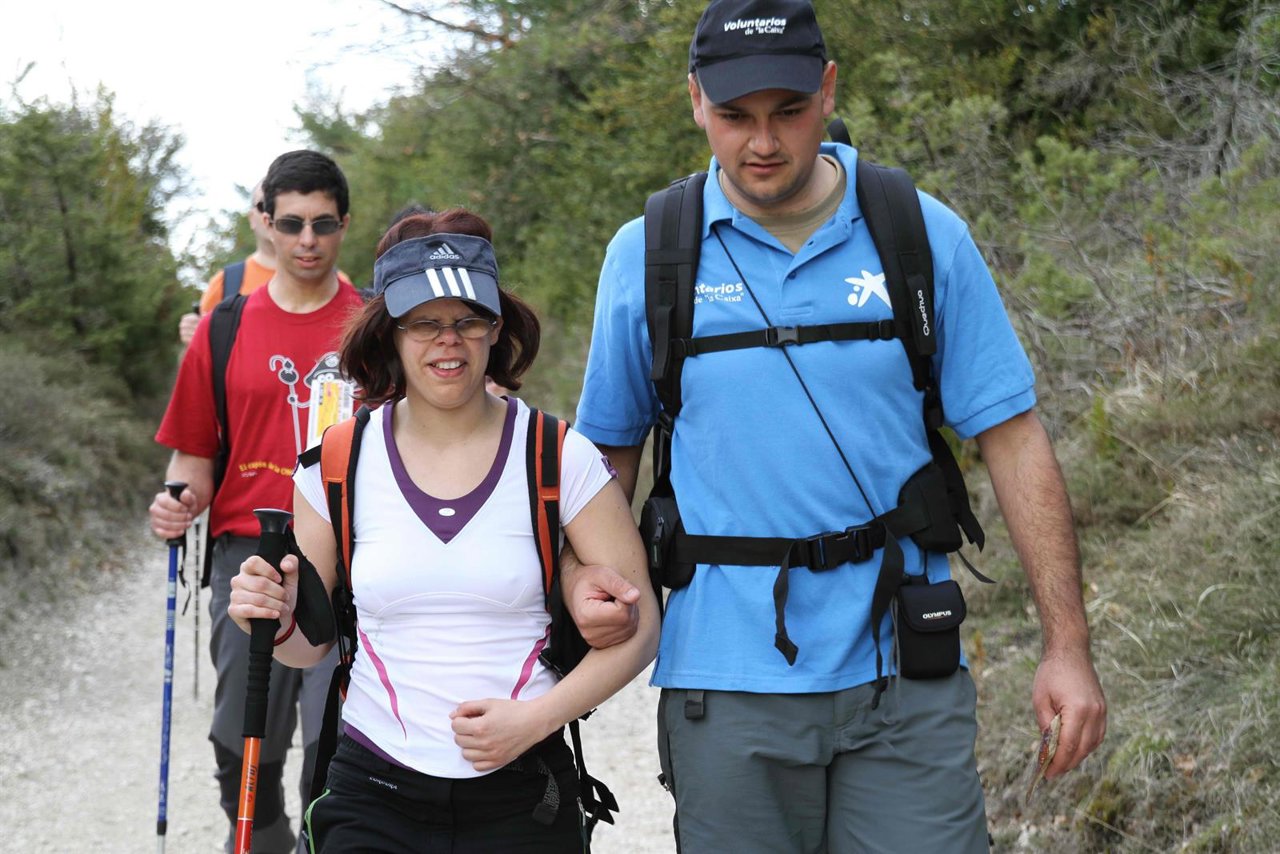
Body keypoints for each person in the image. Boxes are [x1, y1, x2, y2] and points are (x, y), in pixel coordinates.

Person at [565, 0, 1108, 850]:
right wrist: (580, 598)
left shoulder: (921, 234)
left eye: (787, 111)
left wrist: (1066, 646)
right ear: (696, 102)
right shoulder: (647, 253)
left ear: (827, 90)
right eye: (735, 116)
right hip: (726, 678)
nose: (763, 143)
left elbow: (1013, 437)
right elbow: (605, 460)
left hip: (906, 670)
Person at [227, 209, 660, 851]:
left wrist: (535, 721)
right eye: (423, 323)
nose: (448, 341)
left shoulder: (556, 454)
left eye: (468, 320)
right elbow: (307, 646)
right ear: (389, 335)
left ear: (497, 328)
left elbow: (642, 626)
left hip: (523, 793)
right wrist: (271, 614)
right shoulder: (335, 463)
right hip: (373, 791)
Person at [150, 149, 364, 854]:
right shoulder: (224, 327)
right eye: (293, 223)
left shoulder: (374, 326)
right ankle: (265, 840)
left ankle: (320, 841)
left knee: (333, 733)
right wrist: (179, 500)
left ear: (343, 226)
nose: (308, 241)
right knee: (240, 739)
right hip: (248, 551)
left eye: (323, 224)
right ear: (266, 223)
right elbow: (195, 453)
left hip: (350, 551)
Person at [177, 181, 276, 346]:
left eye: (280, 205)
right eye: (264, 205)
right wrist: (192, 338)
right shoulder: (226, 283)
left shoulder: (330, 282)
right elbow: (198, 361)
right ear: (252, 218)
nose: (272, 214)